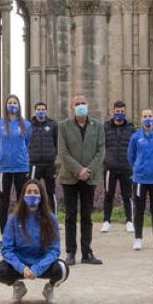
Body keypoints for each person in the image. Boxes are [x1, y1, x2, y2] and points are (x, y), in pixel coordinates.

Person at [0, 179, 68, 304]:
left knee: (62, 270)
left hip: (42, 263)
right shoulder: (13, 219)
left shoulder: (51, 219)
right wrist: (22, 268)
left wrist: (38, 268)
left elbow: (54, 250)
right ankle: (18, 287)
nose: (32, 195)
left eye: (35, 192)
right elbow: (7, 249)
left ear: (41, 196)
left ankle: (49, 288)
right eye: (29, 192)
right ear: (23, 195)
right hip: (21, 264)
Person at [57, 93, 105, 265]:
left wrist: (88, 170)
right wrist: (78, 170)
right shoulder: (63, 126)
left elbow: (101, 151)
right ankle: (70, 252)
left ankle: (87, 253)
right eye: (77, 103)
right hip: (70, 178)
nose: (81, 106)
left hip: (89, 178)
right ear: (72, 107)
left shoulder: (97, 126)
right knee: (70, 216)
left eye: (83, 103)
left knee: (87, 216)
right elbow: (62, 152)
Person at [128, 108, 153, 251]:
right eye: (145, 116)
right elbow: (131, 156)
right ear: (141, 119)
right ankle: (138, 238)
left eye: (150, 116)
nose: (147, 118)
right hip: (139, 179)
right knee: (138, 209)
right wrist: (138, 168)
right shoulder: (135, 137)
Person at [0, 94, 31, 233]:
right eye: (10, 102)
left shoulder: (26, 124)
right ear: (6, 105)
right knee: (4, 202)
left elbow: (27, 142)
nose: (12, 105)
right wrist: (4, 155)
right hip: (4, 168)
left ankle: (22, 233)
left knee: (22, 201)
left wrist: (19, 155)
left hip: (21, 167)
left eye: (15, 102)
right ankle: (4, 236)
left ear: (19, 105)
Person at [102, 100, 136, 234]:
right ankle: (106, 221)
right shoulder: (105, 127)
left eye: (122, 112)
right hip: (110, 167)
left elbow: (135, 148)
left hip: (126, 167)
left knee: (127, 195)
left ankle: (129, 221)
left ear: (125, 112)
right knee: (108, 194)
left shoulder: (131, 128)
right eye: (117, 112)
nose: (120, 114)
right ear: (113, 112)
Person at [28, 102, 59, 212]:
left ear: (46, 111)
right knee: (31, 190)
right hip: (34, 164)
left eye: (43, 109)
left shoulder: (53, 124)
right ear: (35, 111)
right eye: (39, 109)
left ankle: (53, 217)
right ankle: (31, 216)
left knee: (51, 192)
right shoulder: (29, 125)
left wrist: (53, 155)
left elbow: (56, 142)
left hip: (49, 164)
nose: (41, 111)